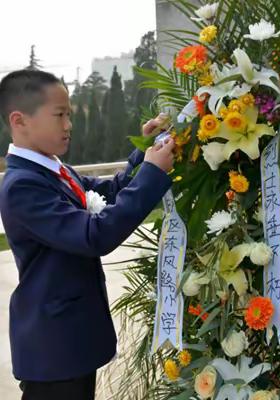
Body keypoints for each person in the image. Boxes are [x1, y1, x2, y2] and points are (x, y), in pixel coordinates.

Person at [0, 69, 175, 400]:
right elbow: (94, 235)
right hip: (54, 349)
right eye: (59, 115)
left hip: (70, 342)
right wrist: (152, 175)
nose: (69, 125)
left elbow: (105, 194)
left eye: (69, 114)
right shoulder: (23, 185)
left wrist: (145, 153)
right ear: (20, 120)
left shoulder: (54, 168)